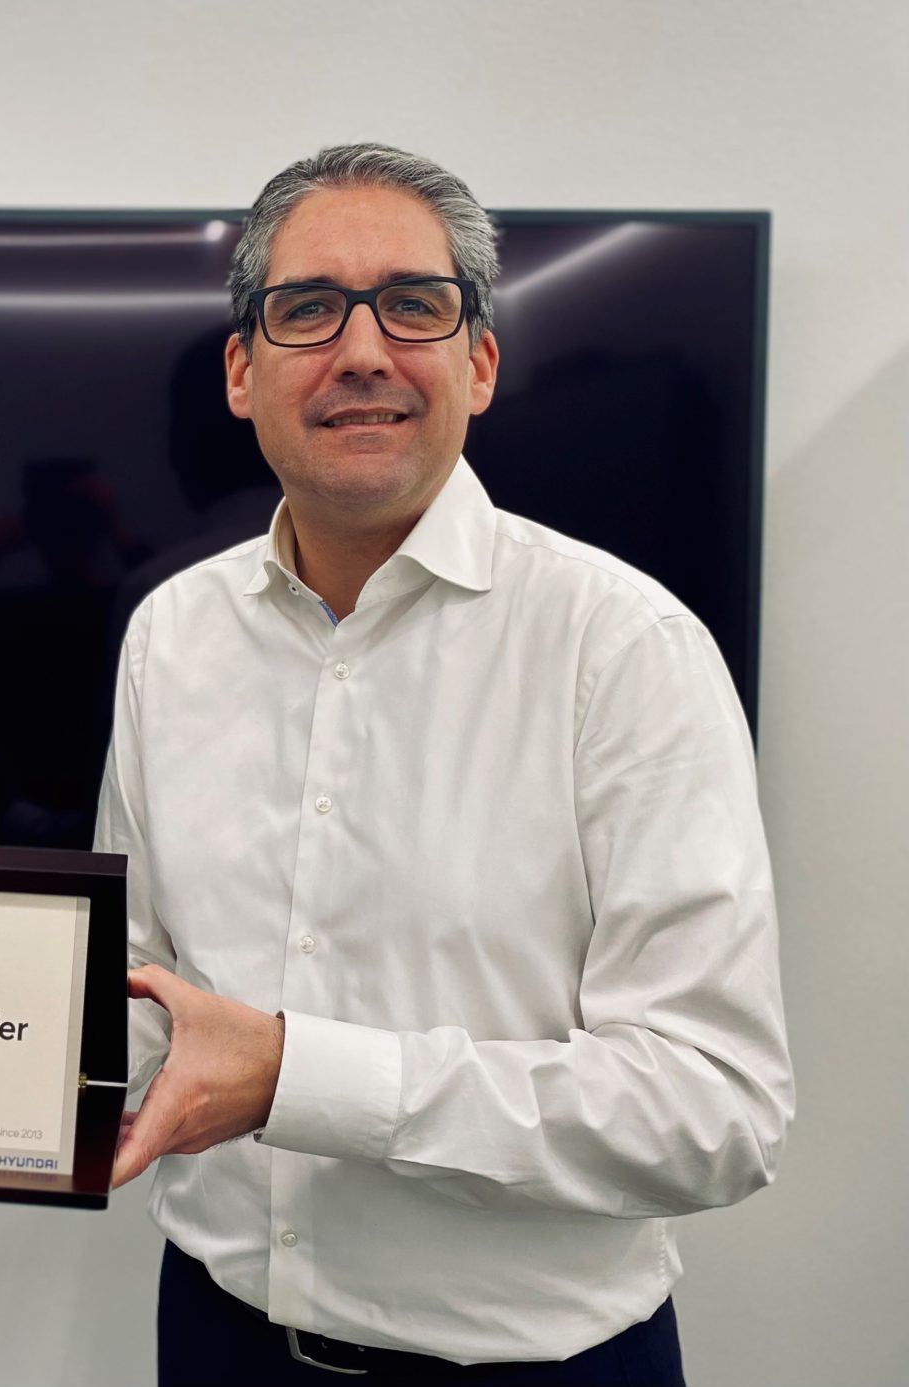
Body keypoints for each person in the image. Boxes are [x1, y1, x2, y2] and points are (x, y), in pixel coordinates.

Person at [98, 144, 791, 1385]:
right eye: (308, 308)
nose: (362, 350)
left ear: (478, 361)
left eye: (414, 304)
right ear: (242, 372)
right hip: (215, 1334)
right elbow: (136, 984)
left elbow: (715, 1109)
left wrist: (302, 1076)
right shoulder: (171, 635)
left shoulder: (624, 649)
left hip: (531, 1366)